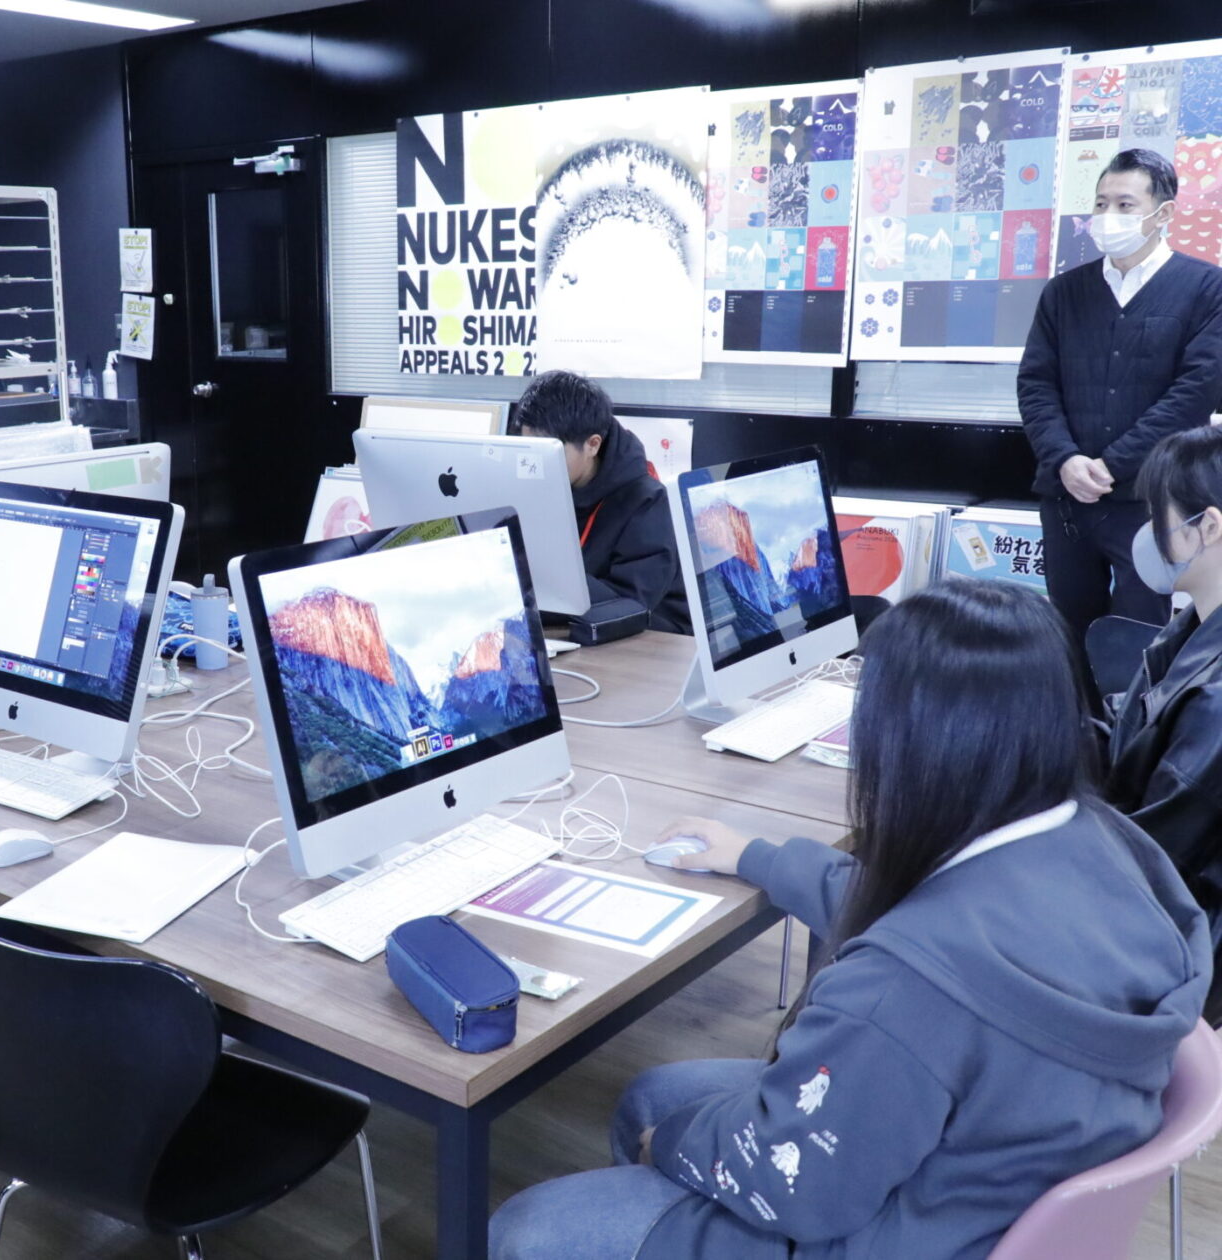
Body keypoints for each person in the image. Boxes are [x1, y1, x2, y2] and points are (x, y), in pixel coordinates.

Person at [490, 578, 1208, 1260]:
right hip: (998, 1180)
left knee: (533, 1226)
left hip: (894, 1232)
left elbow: (797, 1186)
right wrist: (759, 858)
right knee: (652, 1094)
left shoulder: (906, 989)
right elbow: (925, 923)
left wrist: (671, 1147)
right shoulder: (1096, 843)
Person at [1017, 147, 1222, 640]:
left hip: (1150, 502)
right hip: (1066, 498)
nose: (1109, 215)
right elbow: (1036, 383)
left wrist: (1112, 465)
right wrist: (1065, 459)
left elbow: (1194, 392)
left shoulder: (1206, 288)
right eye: (1101, 203)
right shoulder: (1063, 292)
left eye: (1125, 205)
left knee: (1138, 639)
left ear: (1163, 213)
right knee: (1065, 636)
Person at [1107, 425, 1222, 1022]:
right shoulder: (1195, 623)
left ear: (1209, 527)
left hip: (1181, 937)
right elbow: (1133, 737)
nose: (1149, 532)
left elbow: (1150, 851)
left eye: (1159, 515)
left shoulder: (1217, 701)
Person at [511, 370, 690, 632]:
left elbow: (630, 603)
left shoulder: (648, 503)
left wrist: (536, 587)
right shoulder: (543, 483)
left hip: (650, 635)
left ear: (593, 445)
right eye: (530, 450)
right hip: (568, 629)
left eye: (550, 452)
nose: (537, 465)